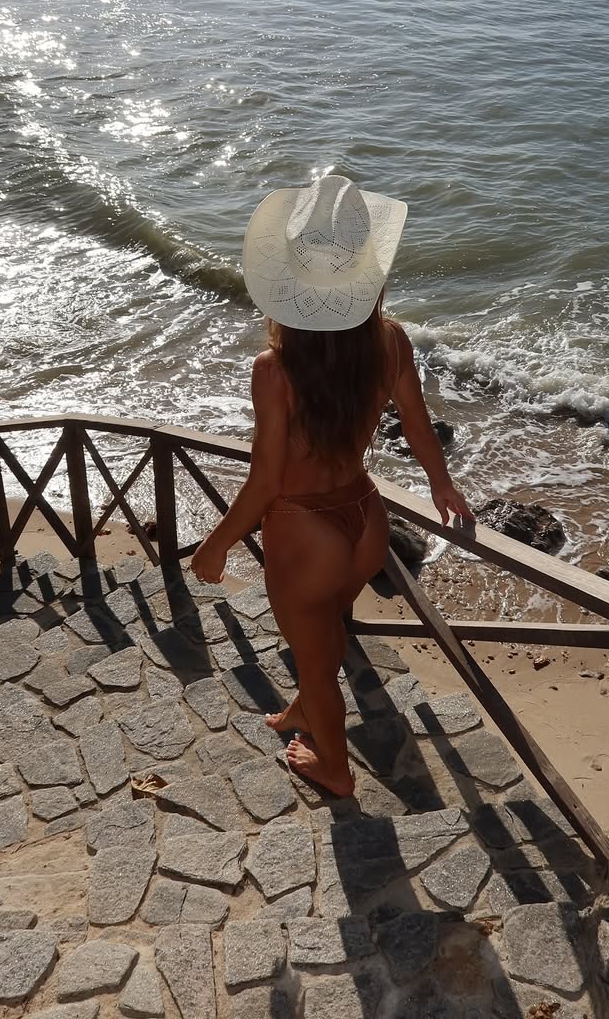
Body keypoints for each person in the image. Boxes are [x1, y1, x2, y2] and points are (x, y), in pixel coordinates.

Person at [190, 174, 472, 796]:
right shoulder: (390, 340)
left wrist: (216, 545)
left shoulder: (276, 369)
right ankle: (302, 709)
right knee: (323, 633)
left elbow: (266, 480)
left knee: (316, 662)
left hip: (304, 528)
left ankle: (335, 769)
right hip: (365, 519)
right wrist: (442, 484)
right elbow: (418, 425)